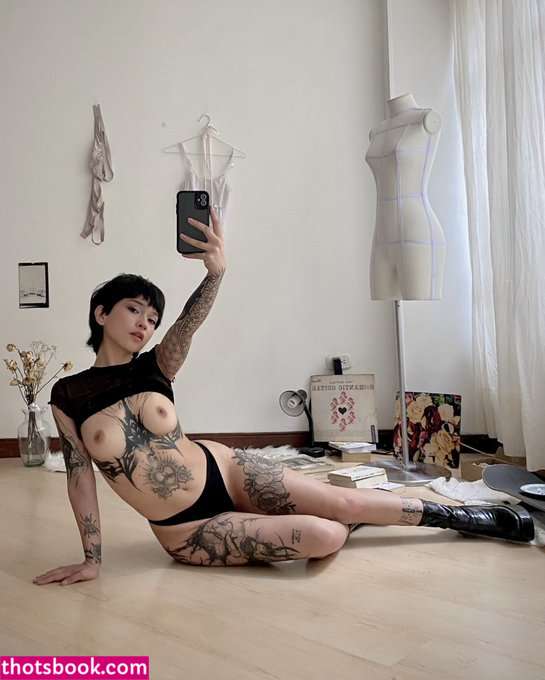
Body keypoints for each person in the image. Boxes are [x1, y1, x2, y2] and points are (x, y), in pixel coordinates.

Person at [34, 209, 534, 586]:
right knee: (324, 534)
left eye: (151, 317)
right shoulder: (68, 394)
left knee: (344, 500)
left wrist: (215, 273)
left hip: (223, 468)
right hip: (187, 527)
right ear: (101, 313)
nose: (144, 323)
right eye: (133, 310)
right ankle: (344, 519)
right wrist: (91, 560)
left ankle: (466, 518)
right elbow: (80, 478)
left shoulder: (156, 366)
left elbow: (189, 322)